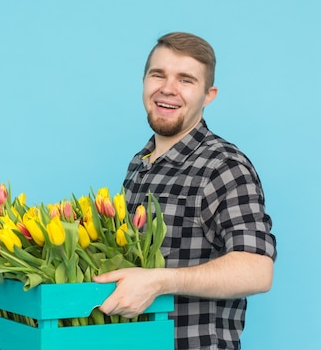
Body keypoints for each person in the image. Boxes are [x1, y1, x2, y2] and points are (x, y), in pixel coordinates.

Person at [93, 32, 277, 350]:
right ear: (144, 81)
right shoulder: (140, 163)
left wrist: (163, 280)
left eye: (186, 80)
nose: (168, 88)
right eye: (158, 75)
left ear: (209, 95)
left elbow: (257, 268)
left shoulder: (222, 166)